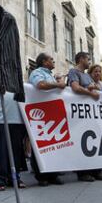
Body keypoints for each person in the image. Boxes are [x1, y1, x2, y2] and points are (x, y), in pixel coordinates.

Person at [68, 52, 102, 182]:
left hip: (92, 114)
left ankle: (96, 170)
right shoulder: (73, 72)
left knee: (94, 142)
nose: (89, 61)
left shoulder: (87, 75)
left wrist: (93, 87)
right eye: (87, 59)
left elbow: (95, 88)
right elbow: (75, 87)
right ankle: (83, 172)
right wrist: (90, 93)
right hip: (80, 114)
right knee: (82, 142)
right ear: (81, 59)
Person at [28, 53, 65, 186]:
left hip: (53, 112)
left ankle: (53, 174)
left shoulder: (50, 74)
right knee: (41, 145)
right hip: (41, 114)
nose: (53, 61)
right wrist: (56, 84)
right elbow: (40, 85)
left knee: (54, 144)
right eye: (51, 59)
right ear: (44, 62)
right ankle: (42, 176)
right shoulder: (37, 72)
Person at [0, 92, 28, 191]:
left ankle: (14, 177)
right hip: (0, 118)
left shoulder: (17, 78)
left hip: (17, 118)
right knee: (0, 151)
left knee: (16, 151)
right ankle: (0, 179)